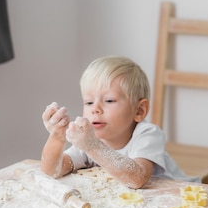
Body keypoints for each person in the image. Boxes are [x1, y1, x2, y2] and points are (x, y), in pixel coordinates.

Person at [41, 55, 198, 188]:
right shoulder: (86, 142)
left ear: (139, 110)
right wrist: (57, 137)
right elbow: (53, 170)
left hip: (182, 199)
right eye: (89, 102)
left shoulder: (147, 134)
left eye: (109, 100)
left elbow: (137, 178)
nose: (95, 109)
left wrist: (93, 146)